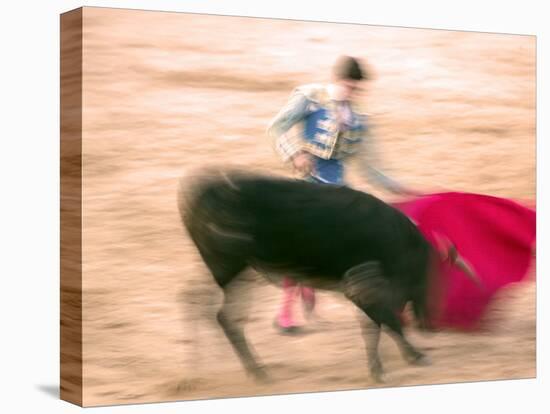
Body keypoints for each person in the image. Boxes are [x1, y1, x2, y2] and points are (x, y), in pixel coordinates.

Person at [266, 55, 414, 333]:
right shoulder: (311, 97)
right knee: (299, 245)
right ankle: (286, 309)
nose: (353, 93)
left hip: (338, 192)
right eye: (350, 86)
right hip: (307, 185)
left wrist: (399, 188)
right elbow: (276, 127)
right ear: (338, 80)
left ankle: (385, 302)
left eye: (357, 89)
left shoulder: (359, 119)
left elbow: (371, 167)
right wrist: (295, 153)